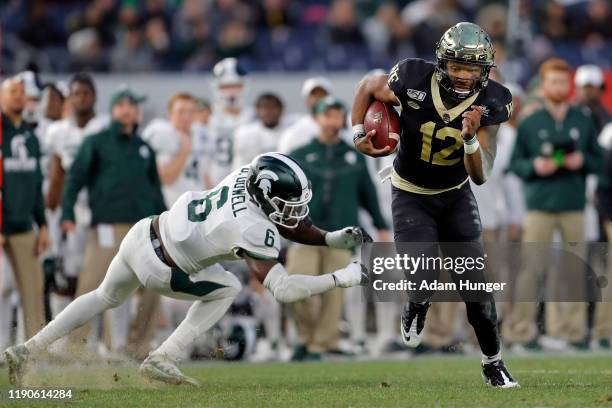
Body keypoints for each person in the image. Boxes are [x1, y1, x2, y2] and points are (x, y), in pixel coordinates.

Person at [4, 153, 370, 386]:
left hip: (143, 232)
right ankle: (164, 357)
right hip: (164, 266)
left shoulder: (248, 174)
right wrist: (341, 277)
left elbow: (286, 221)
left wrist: (332, 239)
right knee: (227, 287)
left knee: (103, 296)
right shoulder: (251, 227)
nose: (295, 212)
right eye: (287, 203)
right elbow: (284, 289)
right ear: (265, 195)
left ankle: (28, 348)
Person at [351, 22, 518, 387]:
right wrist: (358, 133)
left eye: (471, 69)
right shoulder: (411, 77)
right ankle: (417, 302)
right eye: (456, 66)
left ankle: (493, 362)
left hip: (456, 194)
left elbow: (481, 175)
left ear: (484, 71)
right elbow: (367, 86)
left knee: (476, 288)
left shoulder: (494, 101)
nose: (462, 75)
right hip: (410, 192)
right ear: (442, 63)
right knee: (422, 275)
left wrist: (471, 141)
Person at [59, 87, 166, 355]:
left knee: (157, 283)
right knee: (91, 284)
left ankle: (137, 346)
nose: (128, 110)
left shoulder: (144, 147)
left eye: (132, 105)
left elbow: (154, 190)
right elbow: (74, 179)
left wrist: (166, 223)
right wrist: (67, 212)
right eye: (122, 105)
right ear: (113, 109)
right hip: (107, 226)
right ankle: (75, 348)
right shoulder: (96, 141)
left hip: (143, 229)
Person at [507, 58, 603, 351]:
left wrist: (582, 161)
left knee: (573, 270)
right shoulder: (531, 120)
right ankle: (521, 332)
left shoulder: (582, 119)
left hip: (574, 204)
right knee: (531, 270)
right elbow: (516, 165)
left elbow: (598, 161)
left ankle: (570, 333)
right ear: (543, 84)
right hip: (539, 205)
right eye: (554, 81)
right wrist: (535, 165)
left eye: (564, 81)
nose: (560, 87)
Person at [288, 96, 389, 360]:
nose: (333, 121)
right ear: (316, 119)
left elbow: (367, 193)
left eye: (337, 115)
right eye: (327, 115)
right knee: (296, 285)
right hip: (305, 233)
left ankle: (319, 345)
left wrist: (381, 225)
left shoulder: (354, 156)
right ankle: (305, 337)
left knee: (334, 295)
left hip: (342, 235)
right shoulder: (299, 155)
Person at [44, 73, 109, 317]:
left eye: (86, 93)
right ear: (68, 98)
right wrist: (51, 211)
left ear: (94, 97)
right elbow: (57, 173)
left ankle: (100, 340)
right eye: (76, 94)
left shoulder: (105, 127)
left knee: (103, 274)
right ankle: (63, 340)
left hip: (100, 208)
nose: (81, 99)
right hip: (71, 209)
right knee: (65, 273)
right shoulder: (58, 132)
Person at [1, 76, 50, 339]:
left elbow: (36, 185)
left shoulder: (31, 136)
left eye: (21, 92)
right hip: (1, 223)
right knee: (1, 289)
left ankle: (30, 351)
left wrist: (42, 224)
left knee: (33, 290)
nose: (18, 96)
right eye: (12, 92)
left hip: (23, 225)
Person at [204, 58, 253, 188]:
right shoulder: (206, 117)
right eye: (225, 87)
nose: (231, 93)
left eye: (235, 86)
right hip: (210, 188)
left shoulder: (254, 117)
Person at [277, 77, 333, 154]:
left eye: (322, 94)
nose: (318, 98)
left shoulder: (345, 125)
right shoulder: (295, 131)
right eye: (313, 95)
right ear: (306, 100)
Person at [232, 93, 285, 169]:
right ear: (257, 110)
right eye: (264, 107)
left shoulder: (289, 133)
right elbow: (239, 165)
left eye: (273, 107)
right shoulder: (246, 134)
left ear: (281, 109)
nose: (268, 111)